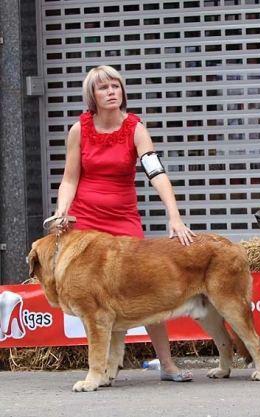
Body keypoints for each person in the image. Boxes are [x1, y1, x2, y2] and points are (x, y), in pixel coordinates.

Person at [54, 65, 195, 382]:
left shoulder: (135, 128)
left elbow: (156, 173)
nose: (111, 91)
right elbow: (69, 179)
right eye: (104, 88)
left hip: (123, 219)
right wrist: (62, 211)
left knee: (147, 288)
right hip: (86, 221)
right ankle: (101, 368)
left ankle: (167, 365)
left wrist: (174, 215)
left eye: (116, 86)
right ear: (93, 95)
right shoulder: (79, 129)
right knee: (93, 299)